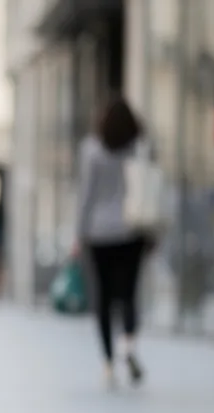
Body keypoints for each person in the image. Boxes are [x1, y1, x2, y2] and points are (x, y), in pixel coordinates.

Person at [73, 97, 150, 387]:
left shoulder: (91, 150)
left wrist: (79, 234)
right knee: (129, 293)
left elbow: (86, 195)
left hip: (99, 233)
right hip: (133, 229)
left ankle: (108, 363)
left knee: (103, 300)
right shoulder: (139, 148)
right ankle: (128, 345)